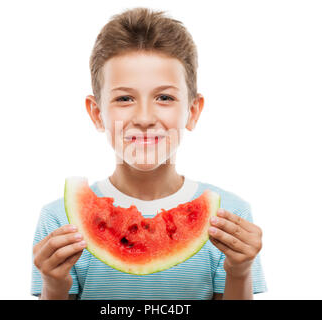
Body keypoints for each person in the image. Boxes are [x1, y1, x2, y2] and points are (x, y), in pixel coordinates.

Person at [31, 7, 267, 300]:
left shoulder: (227, 218)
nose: (144, 117)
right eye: (125, 98)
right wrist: (54, 287)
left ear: (193, 112)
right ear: (97, 114)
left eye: (164, 97)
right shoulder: (60, 220)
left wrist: (240, 272)